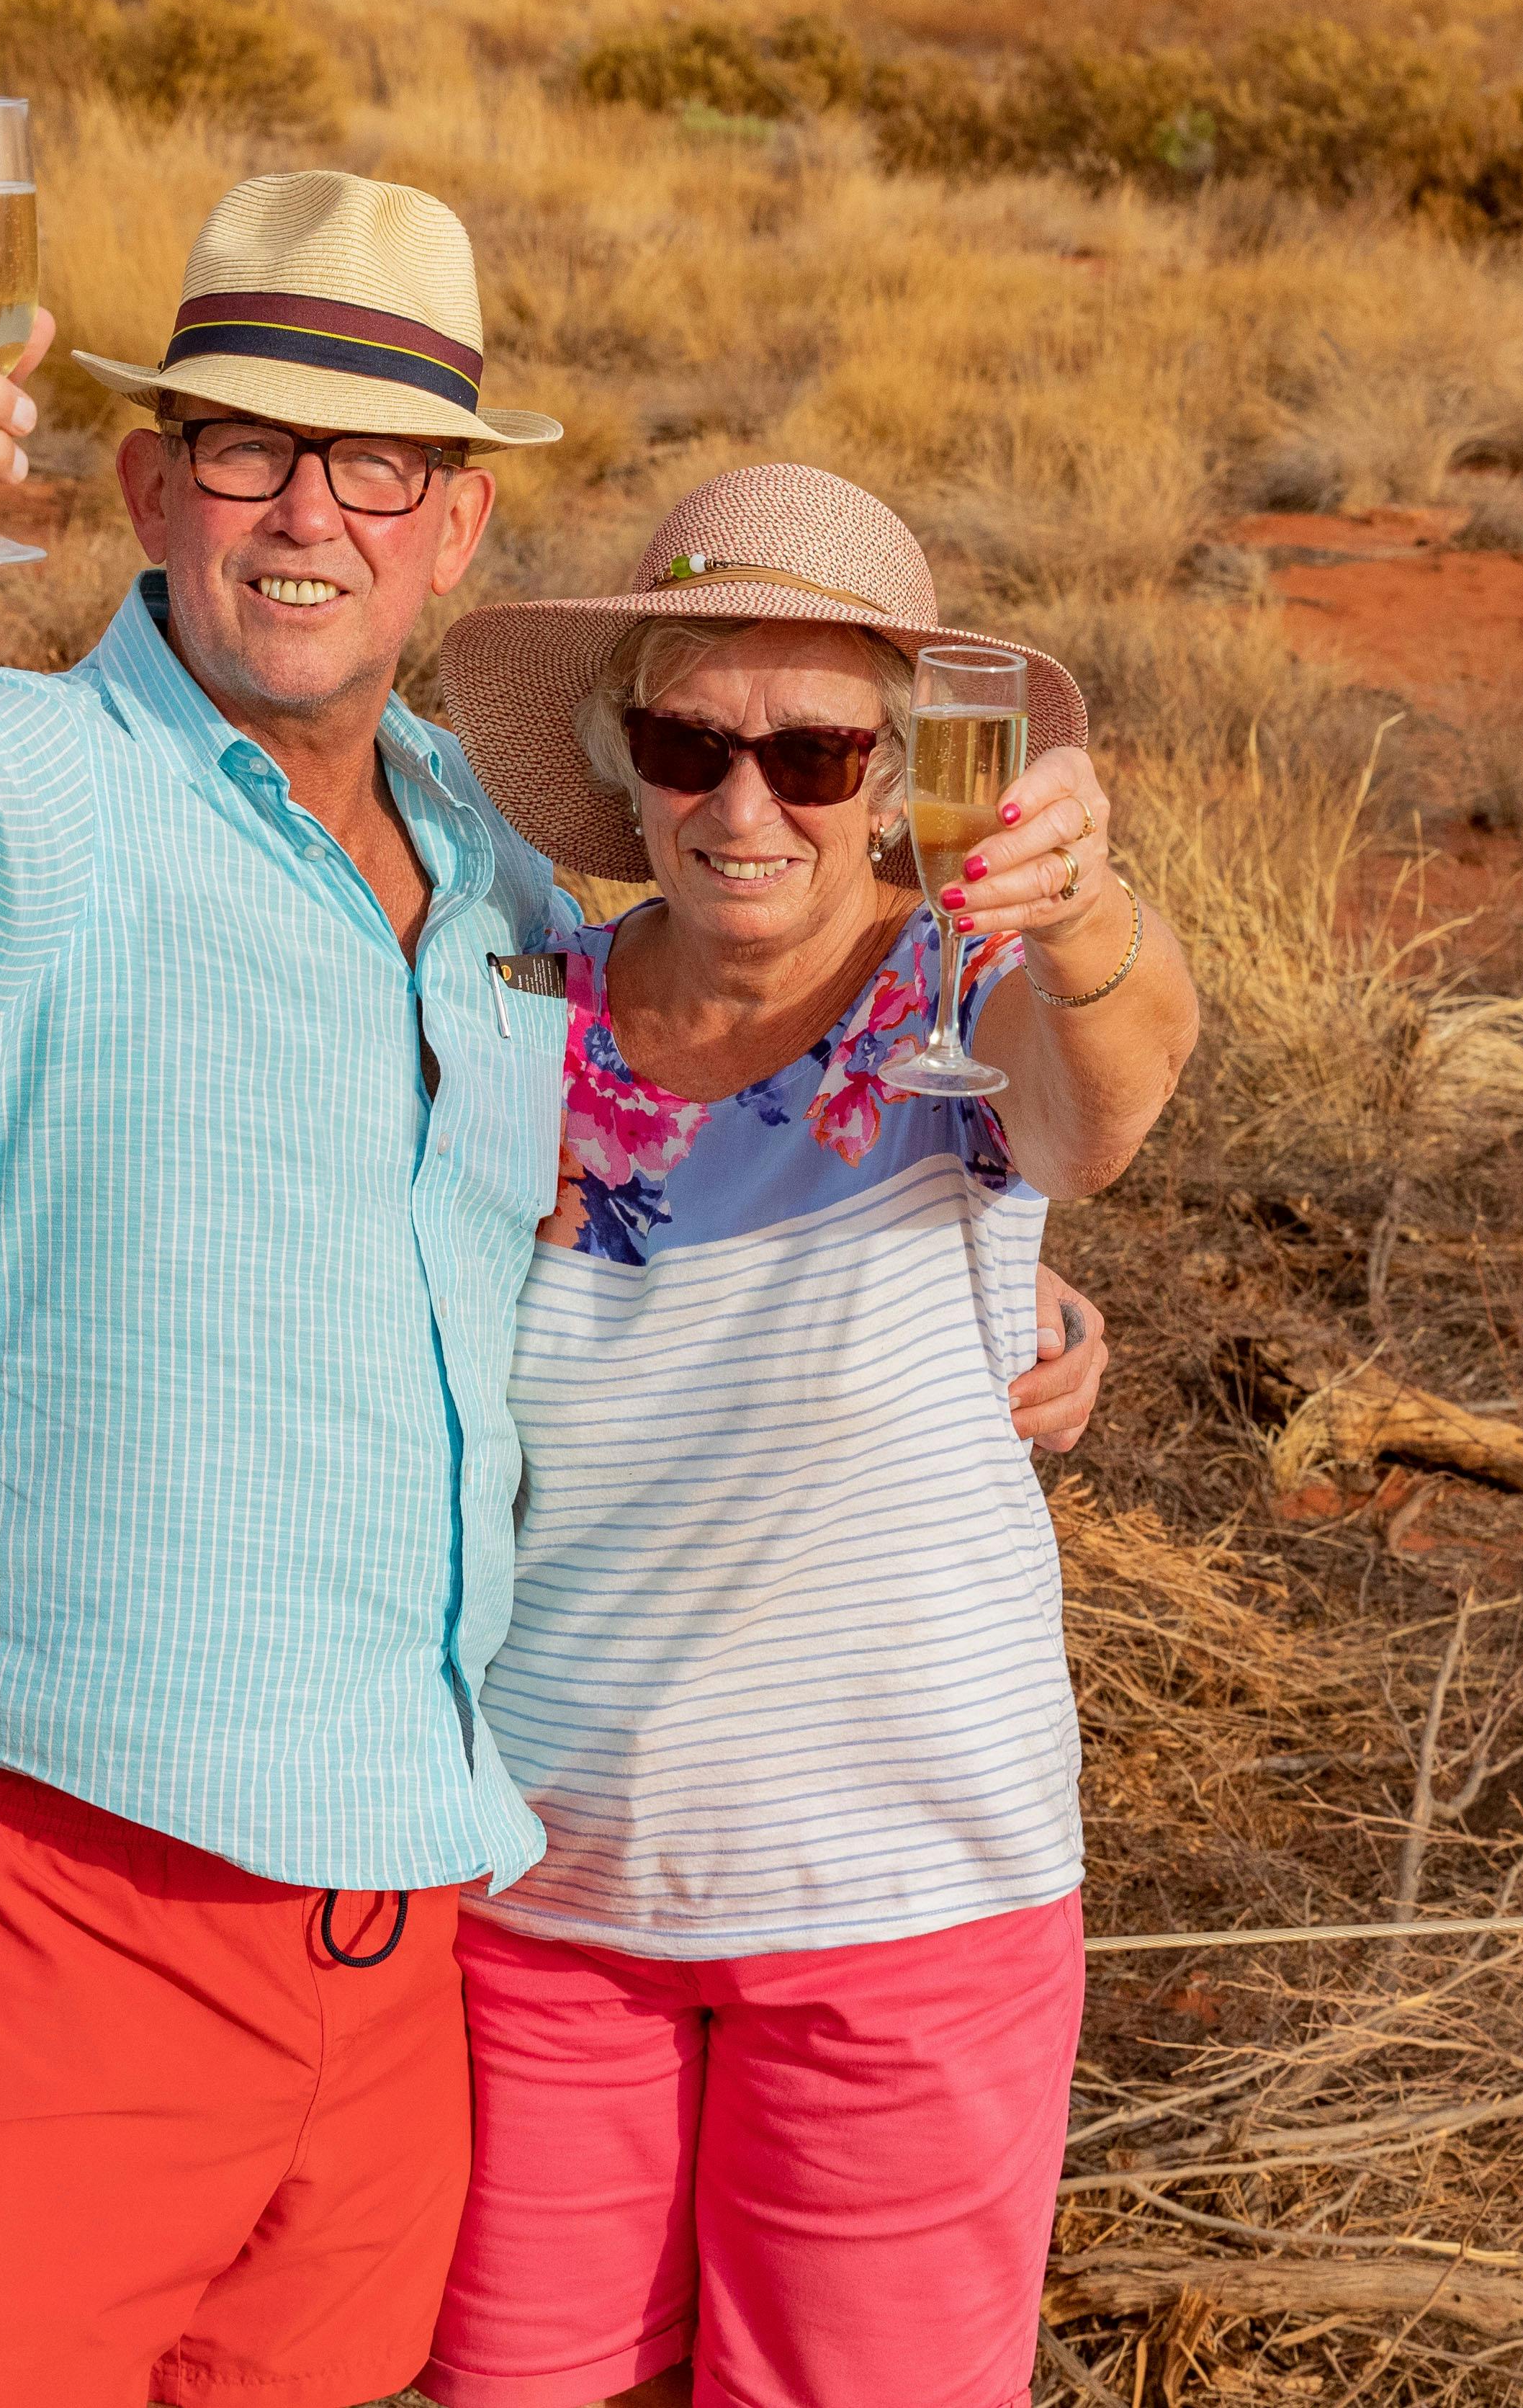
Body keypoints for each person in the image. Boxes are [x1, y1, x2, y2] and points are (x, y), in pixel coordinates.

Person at [0, 171, 1096, 2408]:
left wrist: (1001, 1319)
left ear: (455, 530)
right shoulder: (32, 771)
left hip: (402, 1933)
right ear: (149, 485)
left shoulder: (492, 872)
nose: (306, 516)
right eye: (249, 450)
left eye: (375, 465)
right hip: (49, 1879)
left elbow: (680, 1157)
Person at [421, 465, 1202, 2408]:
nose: (745, 804)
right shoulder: (516, 1018)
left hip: (904, 1909)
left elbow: (1112, 1099)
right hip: (541, 1910)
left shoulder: (970, 997)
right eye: (691, 743)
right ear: (621, 759)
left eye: (816, 753)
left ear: (898, 772)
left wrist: (1090, 914)